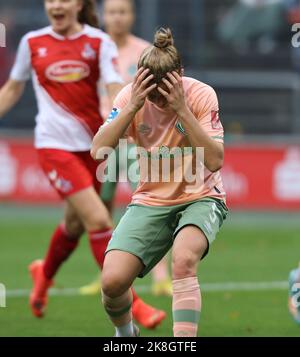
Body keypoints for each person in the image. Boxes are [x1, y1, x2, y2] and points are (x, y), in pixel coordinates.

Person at [0, 0, 165, 330]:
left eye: (64, 0)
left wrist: (125, 118)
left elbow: (114, 87)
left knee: (74, 225)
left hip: (92, 147)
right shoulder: (32, 43)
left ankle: (43, 274)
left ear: (79, 5)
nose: (56, 5)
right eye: (51, 1)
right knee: (98, 218)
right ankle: (136, 304)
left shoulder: (97, 42)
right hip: (53, 147)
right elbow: (13, 88)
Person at [91, 27, 228, 337]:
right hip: (150, 200)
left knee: (183, 259)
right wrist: (132, 107)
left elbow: (215, 160)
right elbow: (98, 150)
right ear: (142, 80)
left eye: (164, 90)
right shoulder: (130, 97)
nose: (158, 99)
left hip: (201, 197)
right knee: (112, 282)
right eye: (151, 91)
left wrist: (182, 109)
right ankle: (127, 336)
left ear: (179, 75)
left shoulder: (201, 95)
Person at [80, 0, 172, 297]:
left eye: (123, 12)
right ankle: (104, 270)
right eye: (112, 12)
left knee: (151, 201)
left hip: (136, 141)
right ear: (104, 16)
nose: (117, 17)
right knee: (101, 207)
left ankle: (161, 276)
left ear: (131, 16)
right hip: (105, 139)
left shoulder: (144, 52)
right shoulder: (93, 50)